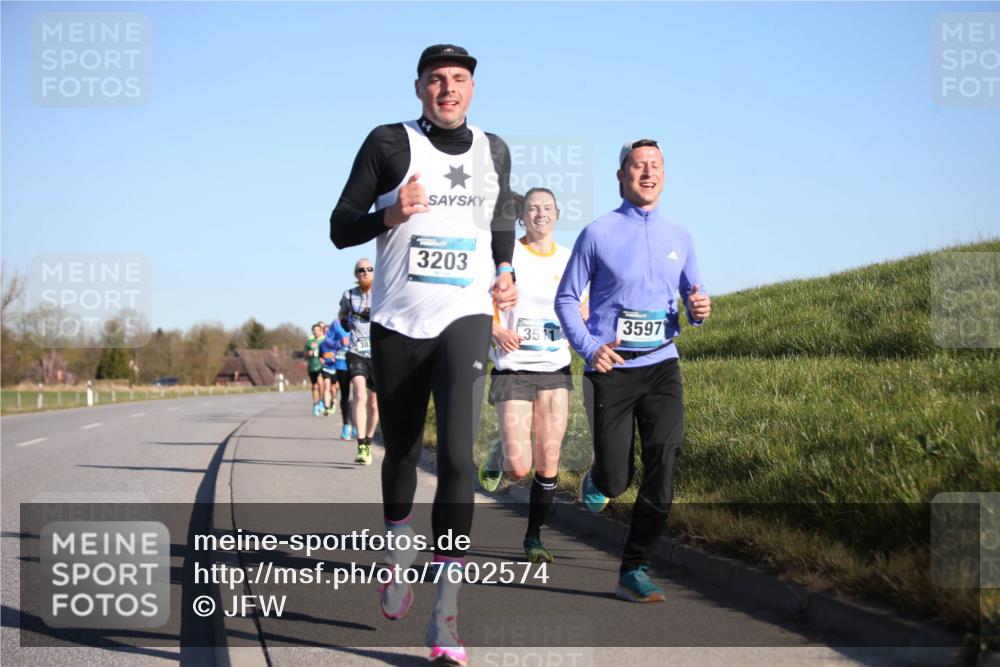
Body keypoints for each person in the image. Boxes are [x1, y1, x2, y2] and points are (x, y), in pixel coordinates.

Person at [330, 44, 517, 666]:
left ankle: (446, 615)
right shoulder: (388, 143)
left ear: (471, 88)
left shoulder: (494, 149)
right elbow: (339, 224)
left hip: (464, 317)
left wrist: (507, 269)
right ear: (418, 88)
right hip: (396, 323)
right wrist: (389, 211)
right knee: (404, 450)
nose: (448, 89)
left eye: (459, 79)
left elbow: (500, 220)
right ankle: (398, 551)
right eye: (436, 80)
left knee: (459, 456)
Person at [554, 139, 712, 603]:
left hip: (663, 366)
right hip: (613, 369)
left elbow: (693, 296)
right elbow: (566, 298)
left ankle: (634, 566)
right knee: (617, 481)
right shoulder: (598, 233)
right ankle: (600, 479)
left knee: (664, 470)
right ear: (621, 176)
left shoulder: (680, 237)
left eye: (655, 166)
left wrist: (699, 308)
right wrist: (588, 347)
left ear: (664, 174)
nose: (648, 173)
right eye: (638, 166)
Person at [478, 188, 580, 564]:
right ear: (522, 216)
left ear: (557, 213)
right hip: (513, 366)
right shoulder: (507, 257)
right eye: (533, 208)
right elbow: (478, 298)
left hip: (554, 366)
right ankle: (500, 451)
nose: (540, 214)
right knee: (519, 467)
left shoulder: (569, 260)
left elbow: (579, 307)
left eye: (547, 208)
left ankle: (534, 537)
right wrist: (495, 329)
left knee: (548, 457)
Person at [338, 259, 379, 465]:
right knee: (360, 395)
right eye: (360, 270)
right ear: (355, 274)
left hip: (379, 354)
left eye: (369, 269)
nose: (365, 272)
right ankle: (361, 443)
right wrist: (345, 321)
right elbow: (342, 314)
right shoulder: (349, 295)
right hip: (356, 352)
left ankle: (369, 440)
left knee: (374, 403)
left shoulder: (383, 290)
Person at [319, 321, 350, 417]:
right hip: (327, 368)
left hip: (337, 367)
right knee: (327, 387)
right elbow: (320, 356)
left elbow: (343, 350)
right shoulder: (322, 344)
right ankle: (327, 407)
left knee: (335, 388)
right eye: (326, 331)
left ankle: (333, 401)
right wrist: (321, 359)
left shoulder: (338, 341)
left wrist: (335, 355)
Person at [334, 323, 355, 440]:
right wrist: (339, 343)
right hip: (342, 364)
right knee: (345, 395)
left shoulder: (365, 317)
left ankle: (357, 425)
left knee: (359, 396)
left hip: (359, 362)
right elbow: (327, 343)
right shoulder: (336, 324)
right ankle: (346, 425)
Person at [305, 323, 325, 416]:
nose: (316, 332)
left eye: (318, 330)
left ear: (321, 331)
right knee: (314, 387)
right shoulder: (309, 342)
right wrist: (308, 353)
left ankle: (321, 401)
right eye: (314, 330)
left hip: (322, 366)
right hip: (312, 366)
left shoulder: (324, 340)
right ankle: (315, 404)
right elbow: (305, 354)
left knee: (320, 383)